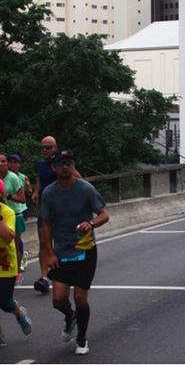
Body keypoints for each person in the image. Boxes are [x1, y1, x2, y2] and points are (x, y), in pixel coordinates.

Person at [39, 149, 109, 355]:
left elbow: (104, 214)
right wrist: (49, 253)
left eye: (68, 163)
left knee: (80, 297)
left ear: (73, 165)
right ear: (53, 167)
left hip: (85, 251)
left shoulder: (86, 189)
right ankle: (70, 317)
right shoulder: (49, 193)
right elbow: (46, 225)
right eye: (60, 163)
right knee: (58, 300)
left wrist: (90, 223)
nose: (64, 167)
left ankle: (81, 339)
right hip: (61, 253)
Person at [31, 136, 81, 294]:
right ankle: (44, 277)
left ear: (55, 147)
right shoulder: (40, 164)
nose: (45, 151)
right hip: (45, 208)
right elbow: (39, 179)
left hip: (62, 209)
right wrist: (37, 191)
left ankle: (69, 271)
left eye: (48, 148)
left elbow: (78, 178)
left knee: (64, 240)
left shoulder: (62, 163)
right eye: (43, 148)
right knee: (43, 241)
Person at [0, 179, 32, 347]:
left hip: (5, 264)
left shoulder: (8, 212)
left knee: (5, 303)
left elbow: (7, 237)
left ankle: (19, 314)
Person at [0, 154, 27, 285]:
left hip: (14, 214)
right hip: (1, 215)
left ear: (7, 164)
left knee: (14, 245)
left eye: (3, 161)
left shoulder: (13, 178)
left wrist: (8, 195)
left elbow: (22, 198)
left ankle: (17, 272)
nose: (1, 164)